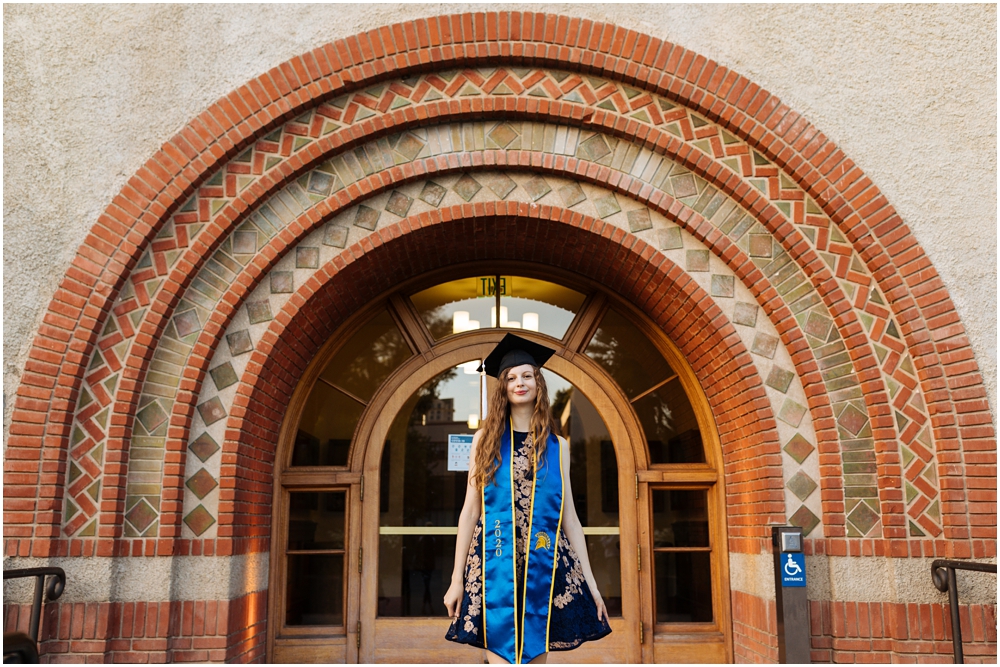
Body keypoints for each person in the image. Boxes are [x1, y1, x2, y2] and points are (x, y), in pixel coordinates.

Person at [444, 334, 612, 664]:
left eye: (526, 375)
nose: (519, 383)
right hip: (493, 559)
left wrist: (591, 583)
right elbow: (470, 511)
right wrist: (456, 579)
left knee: (536, 658)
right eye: (510, 377)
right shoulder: (485, 441)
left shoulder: (558, 446)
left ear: (538, 382)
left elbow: (571, 520)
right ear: (503, 387)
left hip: (544, 561)